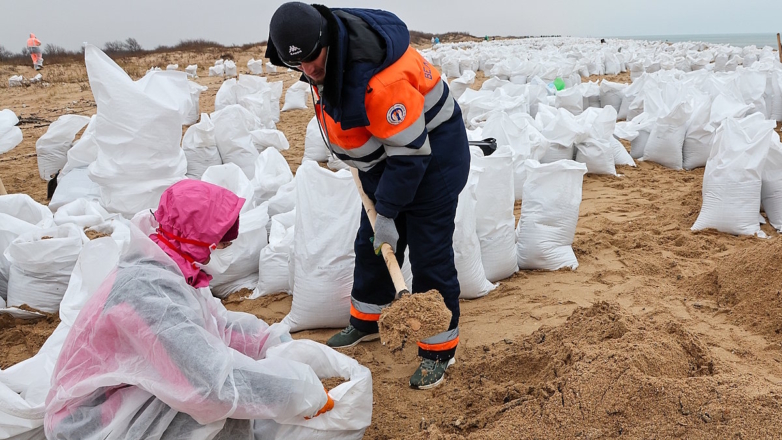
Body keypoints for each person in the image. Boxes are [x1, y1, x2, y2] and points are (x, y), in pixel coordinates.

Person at [266, 2, 470, 390]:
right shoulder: (330, 53)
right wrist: (382, 213)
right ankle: (368, 319)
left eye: (313, 58)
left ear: (326, 40)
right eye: (299, 64)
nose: (309, 70)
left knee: (430, 257)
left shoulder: (382, 83)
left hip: (432, 158)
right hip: (385, 160)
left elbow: (412, 156)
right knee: (372, 243)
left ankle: (439, 351)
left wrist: (391, 213)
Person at [44, 180, 334, 439]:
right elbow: (209, 385)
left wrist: (268, 341)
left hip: (121, 397)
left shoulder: (170, 268)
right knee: (212, 404)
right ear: (197, 240)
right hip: (90, 422)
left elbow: (215, 324)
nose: (227, 249)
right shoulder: (145, 290)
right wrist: (299, 391)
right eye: (223, 243)